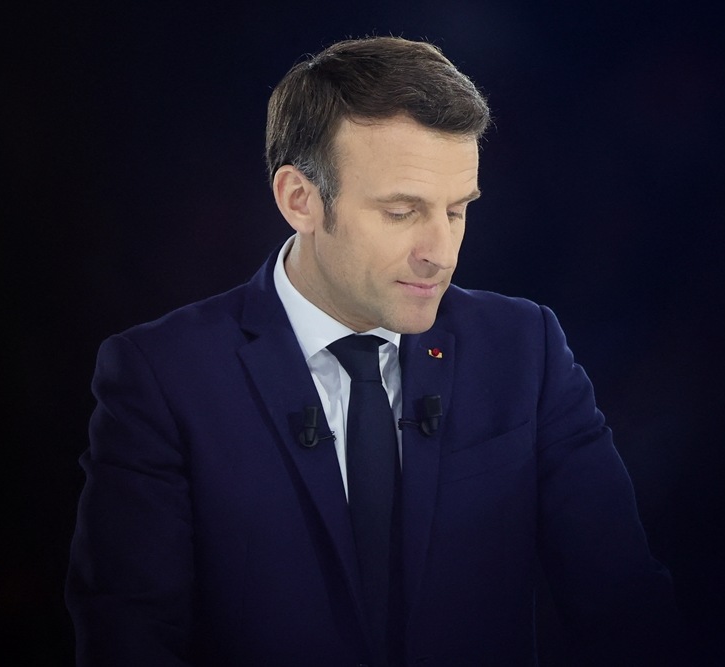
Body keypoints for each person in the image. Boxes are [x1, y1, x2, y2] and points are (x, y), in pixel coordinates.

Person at [65, 35, 685, 666]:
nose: (439, 251)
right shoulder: (162, 376)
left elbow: (625, 610)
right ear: (298, 200)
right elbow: (129, 638)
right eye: (400, 212)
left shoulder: (525, 350)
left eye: (457, 211)